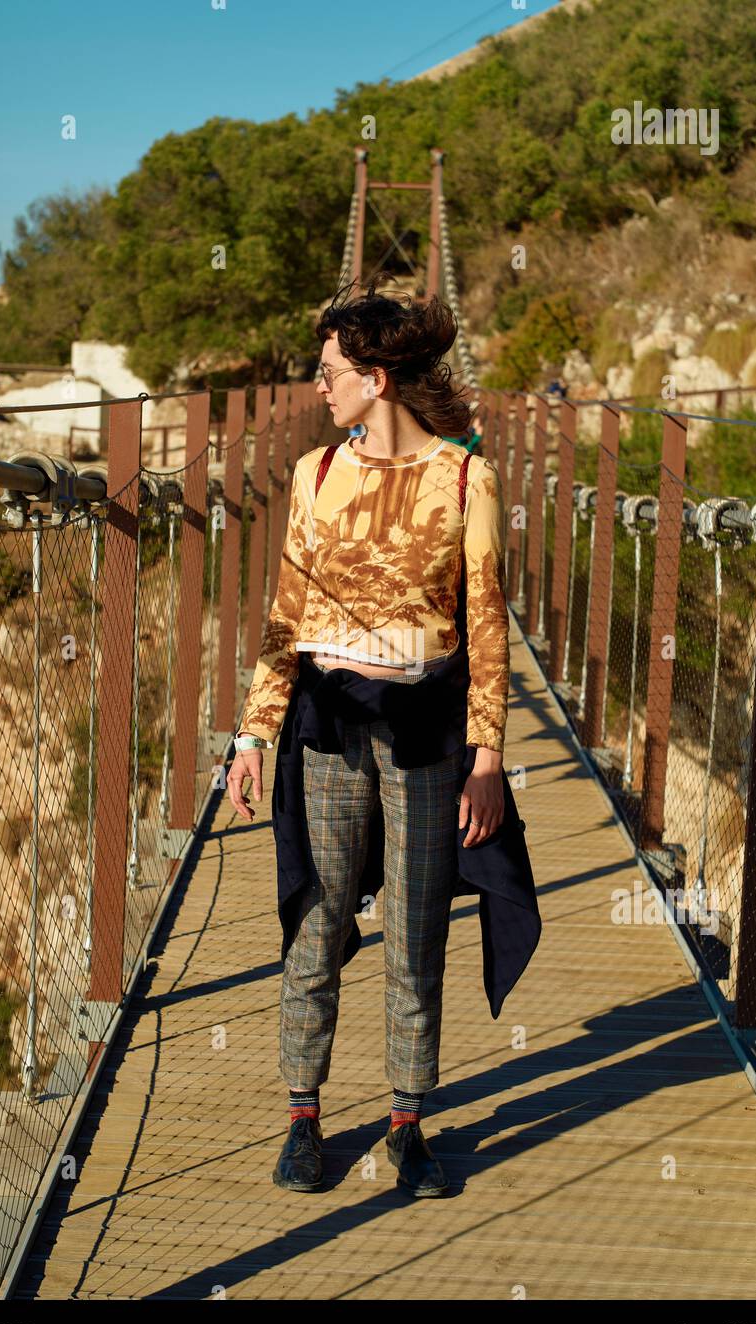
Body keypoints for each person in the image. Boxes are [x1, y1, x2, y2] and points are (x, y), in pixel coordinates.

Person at [228, 275, 513, 1197]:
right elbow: (286, 611)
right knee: (317, 922)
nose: (319, 387)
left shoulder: (465, 477)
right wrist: (252, 735)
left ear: (376, 378)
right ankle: (302, 1119)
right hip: (326, 730)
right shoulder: (316, 474)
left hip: (427, 732)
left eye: (330, 371)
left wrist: (488, 757)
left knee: (415, 933)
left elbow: (487, 623)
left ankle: (406, 1124)